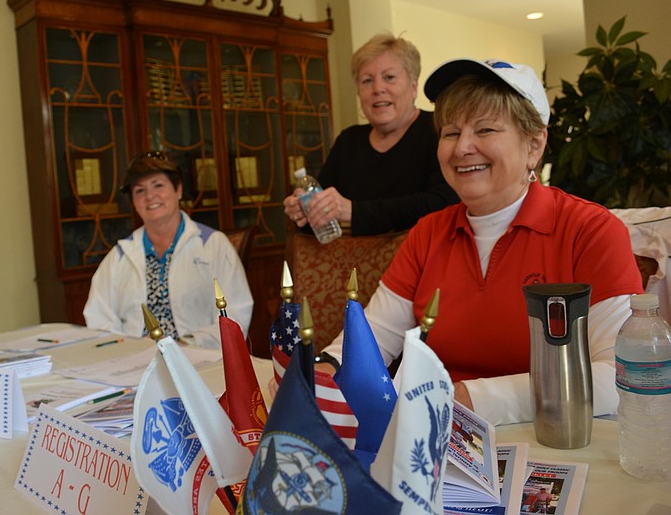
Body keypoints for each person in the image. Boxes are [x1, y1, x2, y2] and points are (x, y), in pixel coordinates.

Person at [321, 58, 643, 425]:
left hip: (555, 439)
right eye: (451, 133)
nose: (462, 148)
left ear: (535, 144)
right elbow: (371, 339)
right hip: (442, 438)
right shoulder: (427, 233)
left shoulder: (590, 230)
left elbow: (621, 377)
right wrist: (320, 375)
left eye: (486, 129)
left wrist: (469, 397)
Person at [283, 32, 458, 237]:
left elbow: (444, 204)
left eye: (389, 77)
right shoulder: (348, 141)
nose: (377, 88)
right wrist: (305, 209)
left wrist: (353, 211)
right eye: (367, 80)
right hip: (355, 264)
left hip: (426, 260)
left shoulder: (439, 130)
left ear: (413, 86)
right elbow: (323, 215)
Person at [83, 151, 253, 348]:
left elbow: (234, 316)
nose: (149, 196)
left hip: (200, 360)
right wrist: (132, 348)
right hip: (136, 362)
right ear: (134, 202)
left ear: (178, 189)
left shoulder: (213, 245)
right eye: (139, 191)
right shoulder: (120, 255)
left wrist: (183, 344)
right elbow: (99, 320)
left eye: (158, 185)